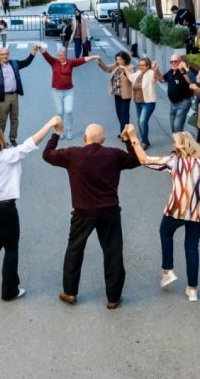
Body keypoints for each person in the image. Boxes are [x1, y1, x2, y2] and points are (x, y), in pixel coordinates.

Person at [127, 127, 200, 302]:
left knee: (165, 232)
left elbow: (145, 160)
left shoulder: (174, 161)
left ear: (180, 148)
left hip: (176, 209)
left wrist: (133, 138)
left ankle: (167, 271)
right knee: (192, 247)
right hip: (198, 213)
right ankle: (193, 290)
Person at [43, 122, 141, 308]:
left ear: (84, 138)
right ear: (102, 140)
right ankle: (113, 297)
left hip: (82, 212)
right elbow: (136, 160)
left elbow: (47, 154)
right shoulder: (113, 154)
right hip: (110, 211)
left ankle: (70, 292)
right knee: (112, 252)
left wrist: (56, 134)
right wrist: (128, 141)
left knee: (75, 249)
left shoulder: (72, 154)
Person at [0, 116, 60, 300]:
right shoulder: (8, 156)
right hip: (3, 208)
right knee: (11, 248)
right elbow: (32, 142)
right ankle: (9, 290)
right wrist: (50, 124)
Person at [0, 45, 41, 147]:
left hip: (14, 95)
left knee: (15, 119)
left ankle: (12, 139)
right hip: (3, 98)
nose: (5, 56)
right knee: (2, 120)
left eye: (6, 54)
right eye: (2, 54)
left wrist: (33, 52)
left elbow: (26, 62)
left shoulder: (14, 63)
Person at [42, 46, 98, 140]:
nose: (60, 57)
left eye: (62, 55)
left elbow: (82, 60)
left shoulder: (70, 63)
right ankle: (60, 130)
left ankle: (69, 129)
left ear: (65, 55)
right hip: (57, 91)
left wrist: (93, 57)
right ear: (57, 55)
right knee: (59, 112)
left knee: (69, 111)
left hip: (68, 91)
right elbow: (45, 54)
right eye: (59, 55)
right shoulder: (53, 62)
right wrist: (40, 48)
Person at [155, 54, 197, 133]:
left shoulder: (184, 72)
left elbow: (191, 82)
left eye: (175, 61)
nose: (173, 63)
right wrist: (156, 71)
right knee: (172, 126)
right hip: (173, 103)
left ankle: (179, 143)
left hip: (183, 102)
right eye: (171, 62)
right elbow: (162, 80)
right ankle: (178, 142)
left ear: (180, 62)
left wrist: (183, 70)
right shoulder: (170, 72)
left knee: (177, 126)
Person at [97, 51, 135, 138]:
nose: (118, 61)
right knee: (119, 113)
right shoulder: (116, 66)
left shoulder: (130, 68)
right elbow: (106, 68)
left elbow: (132, 78)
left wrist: (125, 70)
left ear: (125, 60)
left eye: (120, 60)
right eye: (117, 59)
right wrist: (100, 62)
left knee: (124, 113)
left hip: (125, 95)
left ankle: (124, 133)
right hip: (117, 93)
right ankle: (125, 130)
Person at [127, 58, 159, 148]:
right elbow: (130, 78)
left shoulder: (151, 73)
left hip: (148, 102)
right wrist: (124, 68)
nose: (140, 67)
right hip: (138, 102)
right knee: (140, 122)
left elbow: (159, 78)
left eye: (143, 65)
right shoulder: (138, 73)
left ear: (148, 66)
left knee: (142, 121)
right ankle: (145, 140)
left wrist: (156, 70)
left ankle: (144, 142)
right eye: (139, 65)